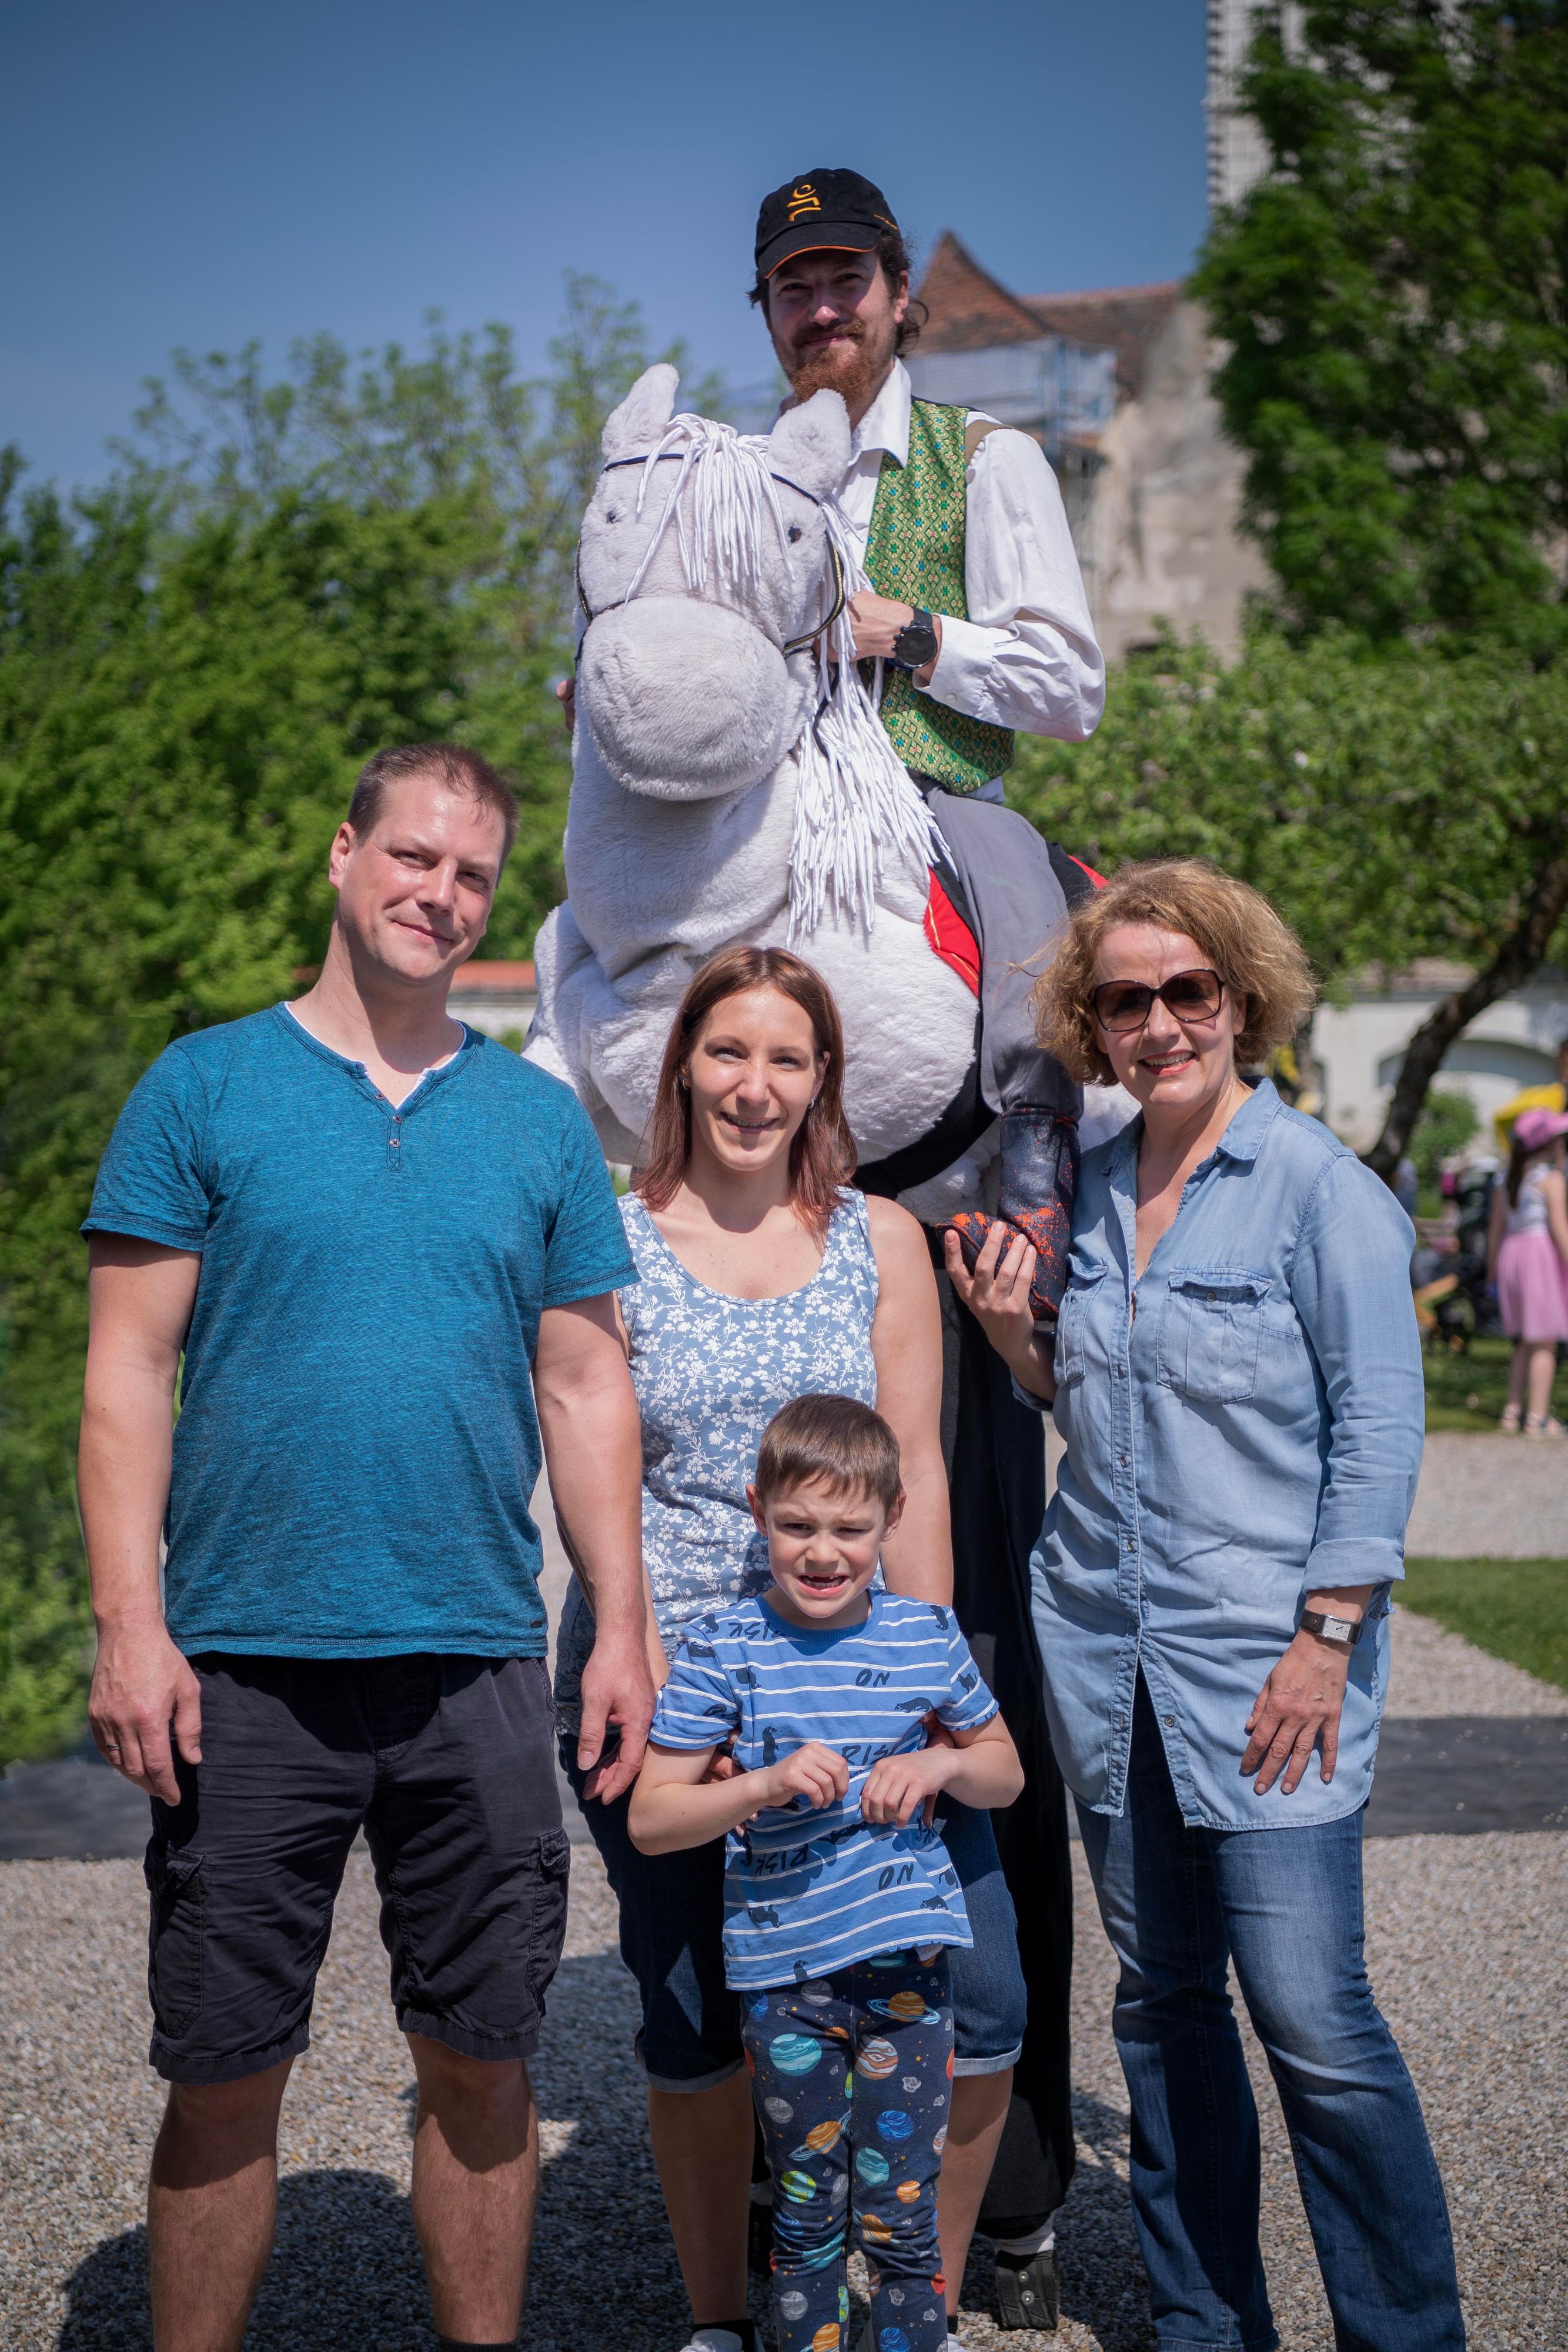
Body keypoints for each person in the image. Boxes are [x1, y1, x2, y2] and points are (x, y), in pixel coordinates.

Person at [78, 743, 654, 2352]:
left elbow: (585, 1377)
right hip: (243, 1663)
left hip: (468, 1656)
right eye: (414, 858)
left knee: (483, 2060)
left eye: (471, 876)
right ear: (344, 856)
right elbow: (125, 1374)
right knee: (222, 2066)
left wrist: (618, 1617)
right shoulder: (202, 1087)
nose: (438, 894)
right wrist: (132, 1627)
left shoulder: (534, 1125)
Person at [948, 858, 1466, 2352]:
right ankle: (1201, 2321)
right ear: (1094, 1026)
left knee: (1314, 2020)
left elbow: (1380, 1433)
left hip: (1268, 1667)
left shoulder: (1323, 1194)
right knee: (1163, 2007)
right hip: (1109, 1660)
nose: (1162, 1022)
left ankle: (1406, 2333)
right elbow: (1100, 1415)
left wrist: (1329, 1636)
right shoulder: (1093, 1198)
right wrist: (1013, 1344)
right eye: (1128, 1000)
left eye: (1191, 990)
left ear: (1242, 999)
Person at [551, 943, 1031, 2352]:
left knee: (978, 1985)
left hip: (865, 1673)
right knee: (694, 2008)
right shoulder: (607, 1235)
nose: (754, 1086)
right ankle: (723, 2312)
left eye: (787, 1058)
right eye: (728, 1051)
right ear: (681, 1064)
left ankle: (913, 2300)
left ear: (825, 1080)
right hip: (673, 1675)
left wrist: (932, 1689)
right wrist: (620, 1637)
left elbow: (921, 1474)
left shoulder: (877, 1237)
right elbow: (597, 1456)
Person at [629, 1394, 1025, 2352]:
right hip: (785, 1986)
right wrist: (759, 1784)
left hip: (903, 1983)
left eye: (850, 1529)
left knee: (899, 2213)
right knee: (805, 2216)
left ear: (891, 1523)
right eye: (797, 1526)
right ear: (758, 1514)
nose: (822, 1552)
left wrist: (938, 1764)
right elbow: (651, 1818)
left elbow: (1004, 1773)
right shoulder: (726, 1649)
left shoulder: (923, 1637)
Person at [1487, 1105, 1568, 1435]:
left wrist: (1492, 1272)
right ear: (1548, 1143)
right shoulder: (1550, 1179)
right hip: (1539, 1256)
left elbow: (1495, 1230)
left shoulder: (1506, 1178)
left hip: (1511, 1255)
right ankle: (1537, 1417)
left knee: (1523, 1341)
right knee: (1545, 1341)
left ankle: (1512, 1411)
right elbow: (1560, 1230)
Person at [1490, 1031, 1568, 1154]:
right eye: (1562, 1062)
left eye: (1563, 1062)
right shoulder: (1550, 1096)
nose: (1562, 1067)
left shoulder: (1552, 1096)